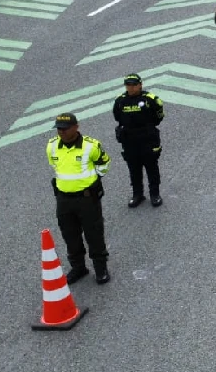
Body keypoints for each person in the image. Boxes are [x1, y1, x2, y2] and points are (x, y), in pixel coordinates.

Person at [46, 112, 111, 285]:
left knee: (94, 234)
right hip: (63, 200)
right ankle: (78, 267)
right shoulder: (52, 146)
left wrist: (91, 182)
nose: (61, 132)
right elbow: (54, 165)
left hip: (87, 199)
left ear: (76, 127)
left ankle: (100, 268)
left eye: (65, 129)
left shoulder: (91, 146)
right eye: (59, 129)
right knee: (69, 235)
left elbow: (104, 163)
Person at [112, 73, 165, 208]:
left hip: (148, 139)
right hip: (129, 141)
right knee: (133, 169)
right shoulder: (120, 101)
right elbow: (117, 117)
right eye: (128, 85)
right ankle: (137, 194)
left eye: (134, 85)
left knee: (151, 167)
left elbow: (158, 117)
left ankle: (155, 194)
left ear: (140, 84)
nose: (131, 88)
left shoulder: (151, 99)